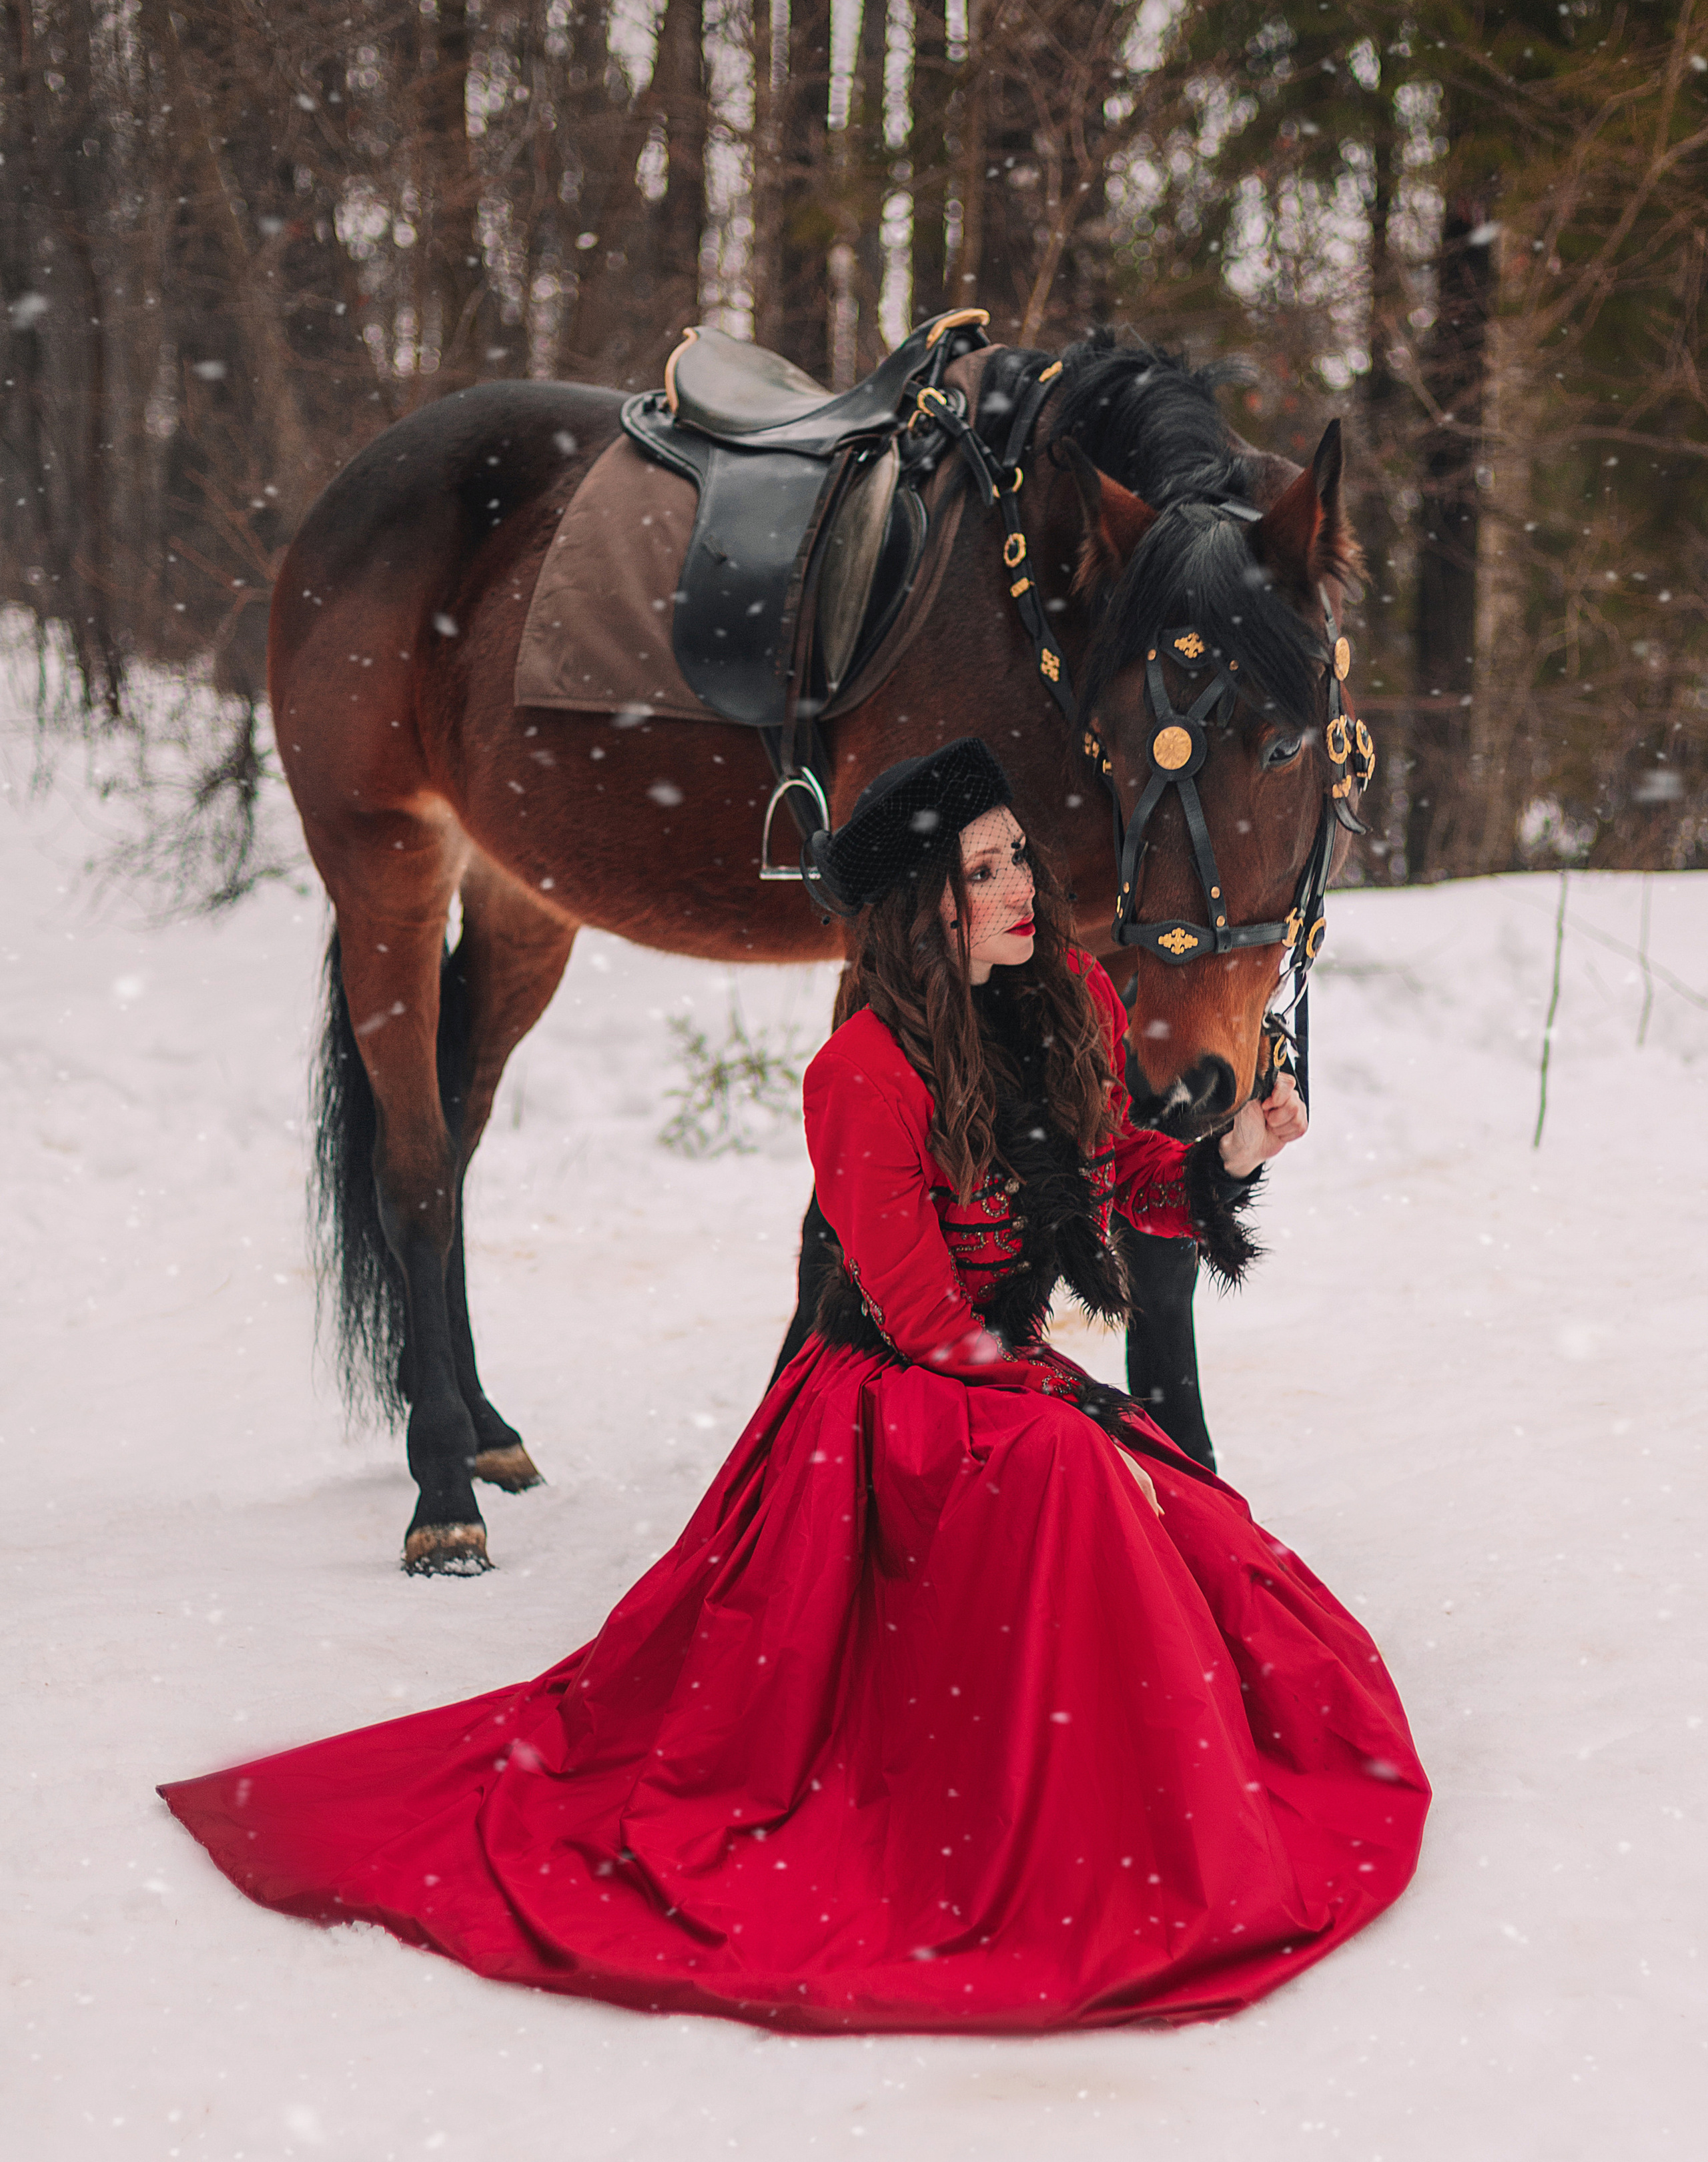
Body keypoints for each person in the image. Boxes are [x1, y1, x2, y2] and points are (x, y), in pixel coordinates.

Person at [160, 738, 1428, 2032]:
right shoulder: (862, 1074)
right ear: (923, 907)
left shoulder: (1072, 1010)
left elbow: (1118, 1182)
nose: (1018, 889)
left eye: (1015, 860)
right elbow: (923, 1315)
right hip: (890, 1405)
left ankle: (1148, 1804)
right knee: (1074, 1478)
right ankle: (1036, 1841)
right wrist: (1060, 1407)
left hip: (1008, 1381)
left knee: (1197, 1535)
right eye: (982, 869)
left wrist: (1231, 1147)